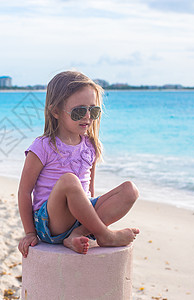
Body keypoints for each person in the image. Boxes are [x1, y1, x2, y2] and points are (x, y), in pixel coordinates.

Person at [18, 71, 139, 256]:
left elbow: (89, 191)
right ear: (56, 111)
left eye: (94, 110)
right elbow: (24, 192)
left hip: (79, 220)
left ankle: (78, 234)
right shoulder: (43, 146)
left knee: (130, 190)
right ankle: (104, 235)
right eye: (79, 111)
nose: (88, 117)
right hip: (50, 222)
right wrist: (29, 233)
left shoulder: (90, 146)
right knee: (69, 181)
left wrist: (88, 217)